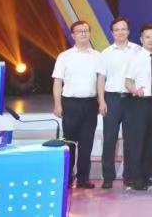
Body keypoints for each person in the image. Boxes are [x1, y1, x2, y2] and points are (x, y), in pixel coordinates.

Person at [52, 20, 104, 189]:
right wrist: (58, 104)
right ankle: (67, 177)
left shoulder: (97, 56)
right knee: (69, 142)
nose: (83, 33)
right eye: (79, 31)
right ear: (73, 35)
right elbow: (57, 82)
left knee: (87, 143)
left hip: (90, 103)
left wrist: (101, 101)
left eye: (86, 30)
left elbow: (100, 80)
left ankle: (83, 178)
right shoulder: (64, 56)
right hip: (70, 103)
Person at [98, 17, 140, 189]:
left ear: (128, 31)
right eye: (117, 29)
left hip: (132, 100)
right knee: (109, 139)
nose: (120, 32)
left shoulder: (137, 50)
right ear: (112, 32)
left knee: (131, 140)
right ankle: (108, 176)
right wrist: (101, 100)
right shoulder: (106, 53)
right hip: (112, 99)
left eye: (123, 29)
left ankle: (128, 176)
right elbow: (101, 78)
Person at [123, 24, 152, 191]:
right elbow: (128, 82)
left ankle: (148, 176)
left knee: (151, 141)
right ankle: (136, 178)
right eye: (147, 37)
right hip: (139, 102)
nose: (151, 40)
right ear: (141, 39)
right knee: (138, 141)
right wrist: (135, 90)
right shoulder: (135, 57)